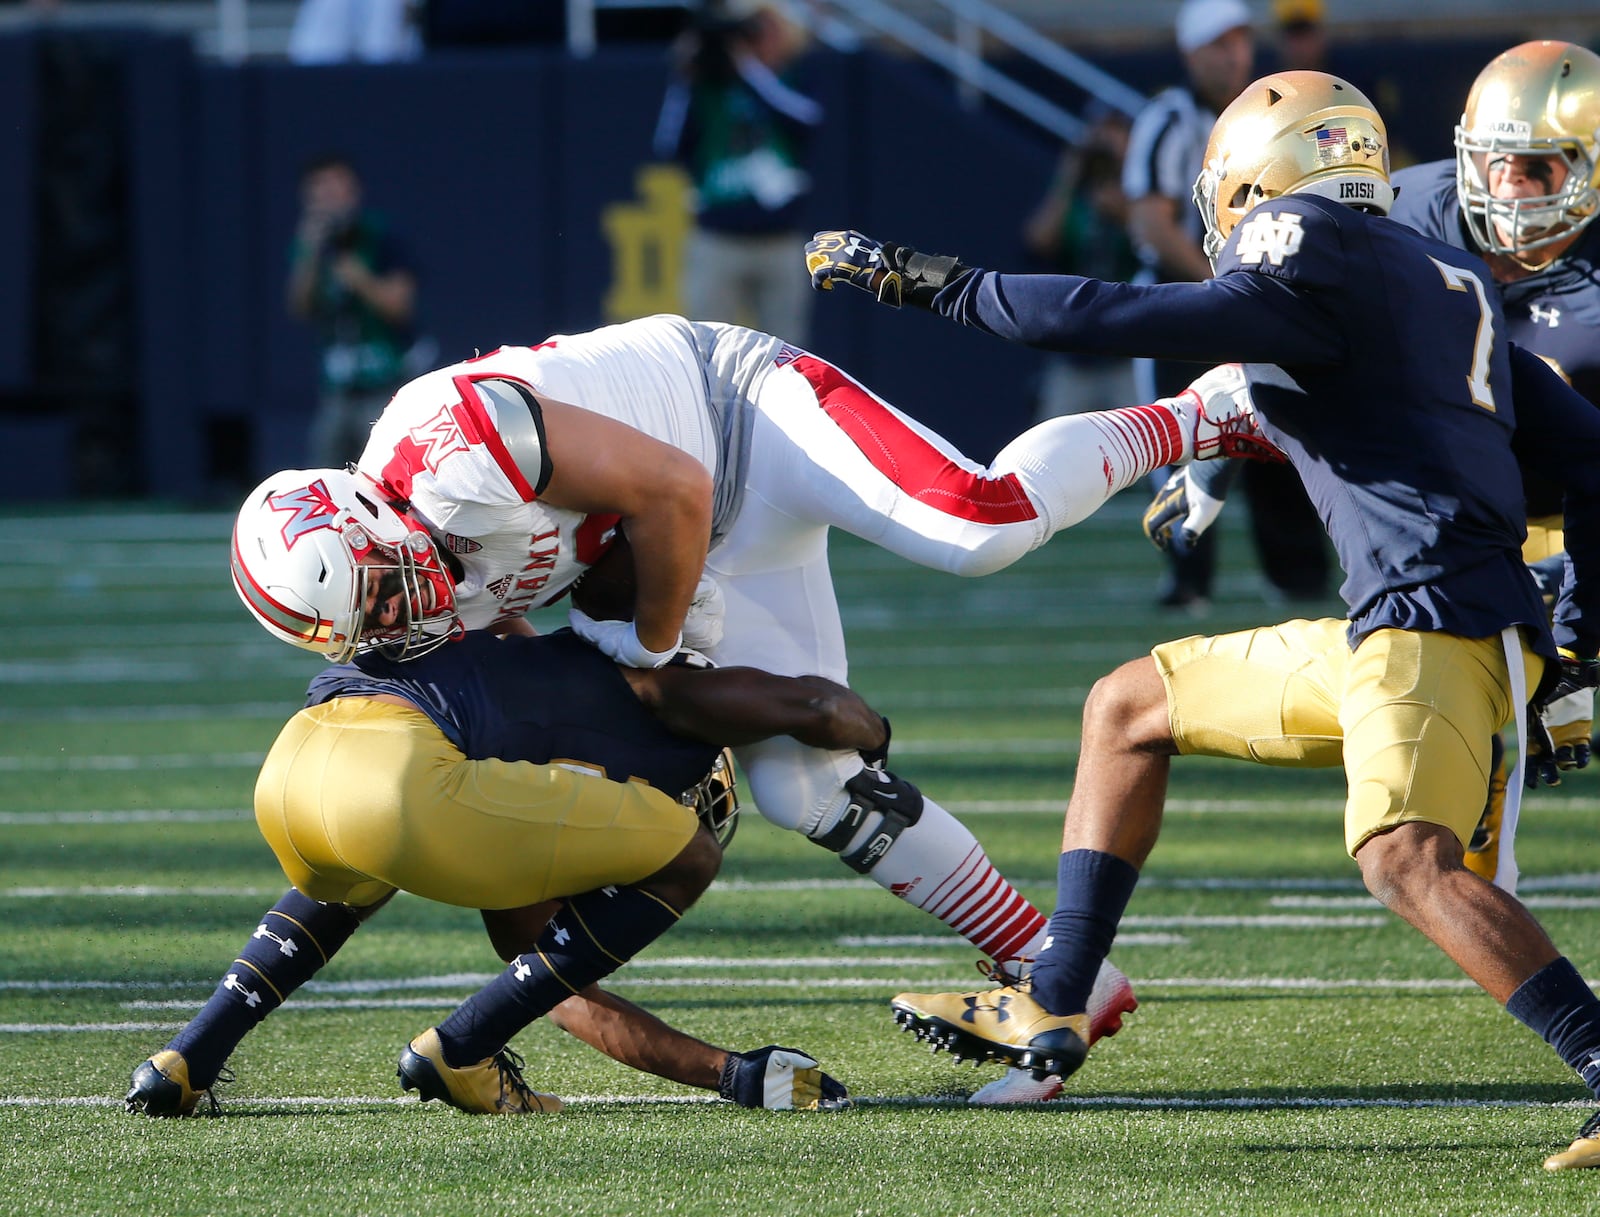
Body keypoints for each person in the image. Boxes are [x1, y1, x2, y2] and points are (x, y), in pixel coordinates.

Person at [805, 70, 1600, 1169]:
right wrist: (1579, 634)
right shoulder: (1443, 274)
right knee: (1129, 705)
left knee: (1404, 860)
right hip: (1412, 629)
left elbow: (1125, 312)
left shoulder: (1311, 245)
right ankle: (1056, 1002)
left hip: (1431, 625)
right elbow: (1580, 451)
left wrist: (935, 283)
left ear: (1259, 180)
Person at [226, 312, 1290, 1100]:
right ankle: (1056, 968)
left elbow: (675, 488)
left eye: (372, 590)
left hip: (734, 416)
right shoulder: (418, 591)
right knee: (800, 784)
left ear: (368, 519)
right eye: (354, 623)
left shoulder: (456, 445)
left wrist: (654, 650)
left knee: (978, 525)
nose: (385, 620)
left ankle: (1202, 410)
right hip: (679, 544)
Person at [129, 545, 888, 1116]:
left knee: (360, 862)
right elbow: (824, 711)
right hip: (399, 782)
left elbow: (546, 984)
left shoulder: (518, 670)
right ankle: (457, 1050)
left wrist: (732, 1072)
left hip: (293, 767)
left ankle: (186, 1058)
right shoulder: (662, 694)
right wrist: (879, 738)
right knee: (687, 854)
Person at [1385, 39, 1600, 882]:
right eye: (1495, 162)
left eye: (1536, 168)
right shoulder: (1403, 217)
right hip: (1444, 517)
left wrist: (1583, 629)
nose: (1508, 187)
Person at [1125, 0, 1329, 610]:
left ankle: (1299, 580)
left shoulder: (1272, 111)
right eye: (1219, 43)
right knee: (1176, 434)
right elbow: (1151, 222)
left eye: (1240, 40)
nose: (1233, 53)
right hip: (1182, 305)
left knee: (1280, 435)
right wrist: (1219, 285)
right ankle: (1187, 579)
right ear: (1191, 53)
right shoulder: (1167, 120)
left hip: (1258, 300)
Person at [652, 0, 822, 344]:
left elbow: (807, 120)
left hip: (779, 239)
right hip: (718, 239)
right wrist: (688, 72)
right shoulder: (703, 86)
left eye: (760, 27)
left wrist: (747, 68)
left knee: (788, 356)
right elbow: (666, 146)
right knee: (707, 350)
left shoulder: (792, 78)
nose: (753, 38)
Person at [285, 154, 419, 468]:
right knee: (325, 471)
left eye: (337, 191)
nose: (330, 202)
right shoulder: (312, 249)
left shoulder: (381, 238)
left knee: (386, 470)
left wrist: (357, 277)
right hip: (337, 386)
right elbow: (300, 307)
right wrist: (310, 256)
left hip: (385, 381)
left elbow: (399, 307)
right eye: (321, 193)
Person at [1019, 104, 1139, 421]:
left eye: (1115, 131)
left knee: (1139, 455)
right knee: (1050, 445)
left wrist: (1123, 211)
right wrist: (1070, 175)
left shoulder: (1141, 188)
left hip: (1129, 351)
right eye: (1100, 130)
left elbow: (1158, 244)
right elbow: (1038, 241)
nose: (1105, 140)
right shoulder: (1074, 194)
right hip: (1075, 353)